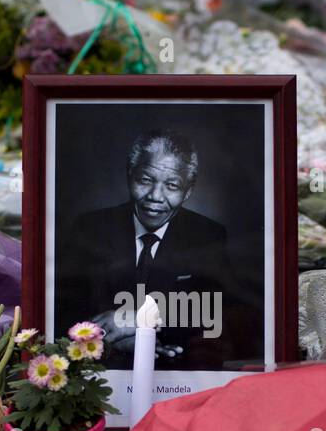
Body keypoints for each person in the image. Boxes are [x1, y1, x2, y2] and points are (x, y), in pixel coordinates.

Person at [57, 128, 238, 369]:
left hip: (177, 367)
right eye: (145, 180)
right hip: (100, 366)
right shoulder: (89, 228)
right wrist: (113, 340)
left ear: (188, 192)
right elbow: (63, 308)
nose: (155, 196)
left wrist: (139, 323)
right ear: (129, 176)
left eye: (172, 185)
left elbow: (216, 311)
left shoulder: (208, 235)